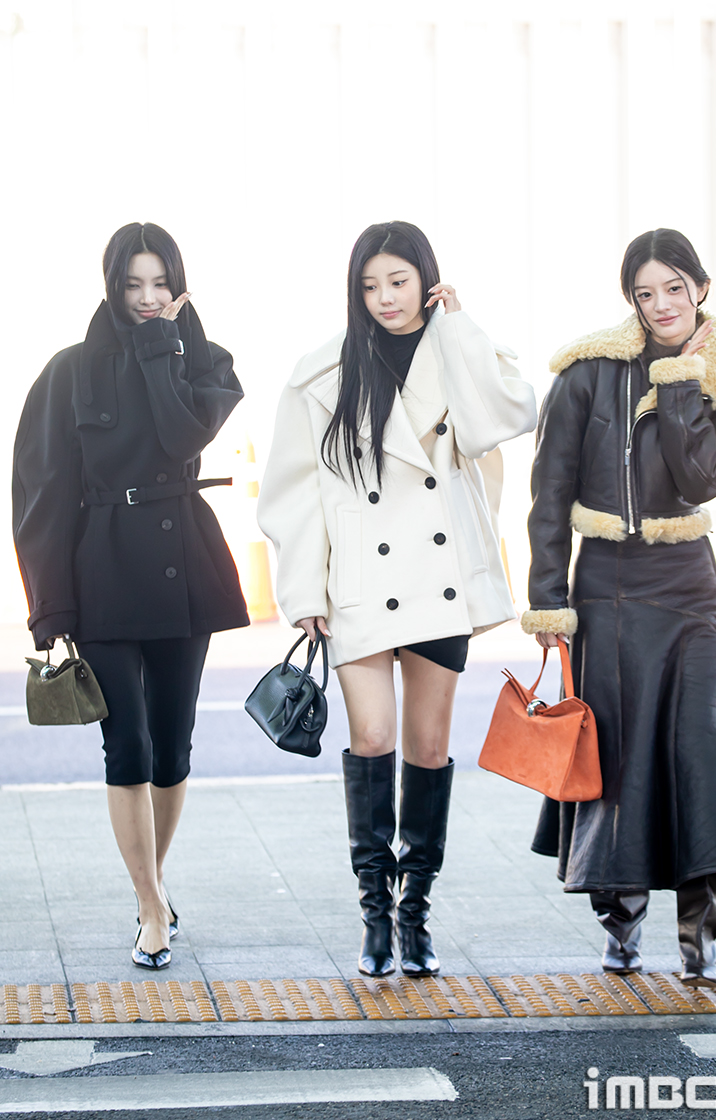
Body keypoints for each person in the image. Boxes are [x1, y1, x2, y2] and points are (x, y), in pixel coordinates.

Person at [258, 220, 537, 977]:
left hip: (438, 585)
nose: (385, 297)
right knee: (373, 736)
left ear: (427, 281)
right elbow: (293, 492)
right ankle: (374, 915)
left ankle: (415, 916)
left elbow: (509, 415)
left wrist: (461, 327)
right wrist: (304, 587)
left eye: (399, 281)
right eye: (370, 285)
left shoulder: (459, 352)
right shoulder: (321, 374)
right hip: (357, 583)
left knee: (429, 749)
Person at [524, 228, 716, 986]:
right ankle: (622, 922)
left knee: (703, 750)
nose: (661, 304)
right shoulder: (586, 372)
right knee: (617, 755)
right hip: (606, 581)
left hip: (691, 587)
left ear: (700, 288)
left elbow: (702, 477)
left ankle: (700, 931)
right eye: (645, 293)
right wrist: (548, 603)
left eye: (674, 287)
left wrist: (679, 381)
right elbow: (549, 494)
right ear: (630, 300)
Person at [13, 222, 249, 971]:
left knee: (173, 747)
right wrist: (50, 605)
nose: (147, 298)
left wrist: (158, 349)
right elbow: (40, 494)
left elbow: (182, 439)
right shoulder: (68, 372)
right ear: (112, 286)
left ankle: (154, 880)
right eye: (133, 285)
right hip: (103, 571)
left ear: (180, 286)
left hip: (183, 564)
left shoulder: (207, 362)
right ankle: (150, 905)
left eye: (160, 284)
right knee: (128, 745)